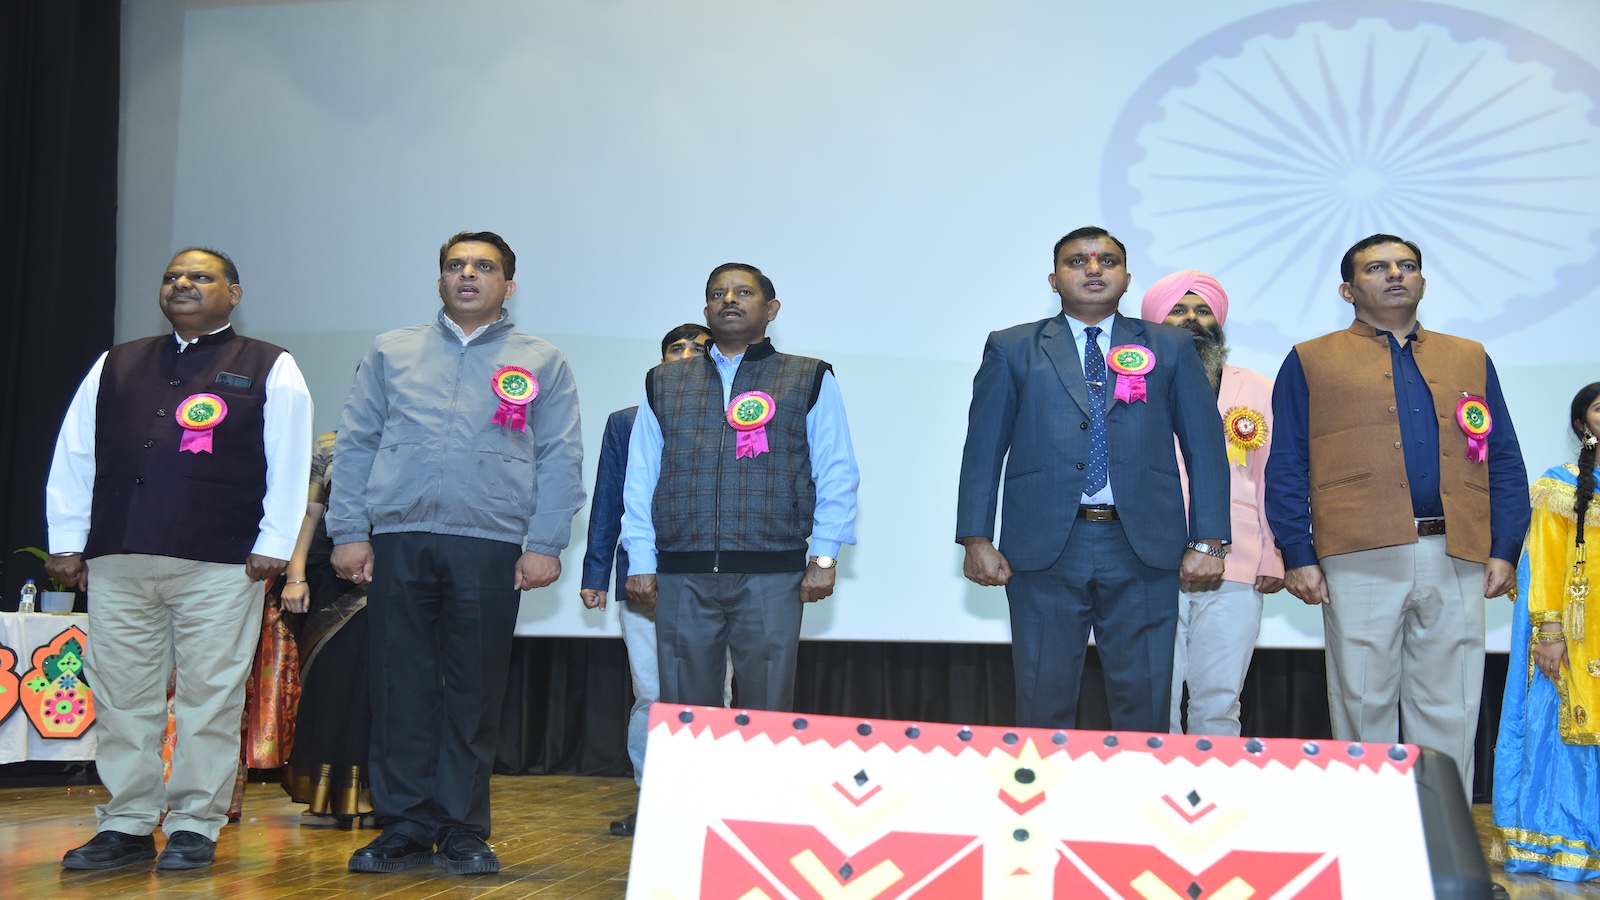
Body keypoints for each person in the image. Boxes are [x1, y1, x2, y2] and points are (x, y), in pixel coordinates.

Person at [45, 247, 314, 870]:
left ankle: (195, 823)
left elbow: (290, 458)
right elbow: (75, 453)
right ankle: (127, 823)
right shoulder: (116, 362)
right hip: (119, 554)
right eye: (172, 277)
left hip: (221, 561)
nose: (183, 284)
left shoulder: (270, 364)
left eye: (200, 276)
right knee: (120, 696)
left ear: (234, 293)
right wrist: (66, 540)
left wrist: (274, 544)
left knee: (210, 698)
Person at [328, 231, 584, 876]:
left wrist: (545, 543)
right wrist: (349, 529)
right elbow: (355, 442)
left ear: (508, 284)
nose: (468, 274)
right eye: (455, 265)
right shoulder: (391, 350)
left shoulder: (542, 359)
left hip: (489, 543)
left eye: (484, 266)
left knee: (474, 689)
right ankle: (405, 824)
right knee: (399, 685)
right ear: (440, 279)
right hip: (399, 537)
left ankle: (463, 827)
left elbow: (560, 456)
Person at [1265, 233, 1530, 792]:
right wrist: (1298, 553)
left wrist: (1505, 546)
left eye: (1407, 266)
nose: (1395, 275)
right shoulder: (1311, 359)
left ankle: (1443, 830)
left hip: (1458, 551)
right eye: (1377, 267)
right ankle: (1372, 827)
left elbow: (1503, 456)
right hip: (1359, 552)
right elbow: (1287, 462)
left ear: (1423, 283)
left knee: (1453, 703)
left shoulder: (1469, 356)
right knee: (1364, 701)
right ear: (1347, 290)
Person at [956, 227, 1230, 733]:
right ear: (1054, 279)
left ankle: (1139, 783)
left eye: (1107, 260)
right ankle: (1040, 784)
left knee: (1145, 702)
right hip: (1044, 548)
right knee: (1042, 698)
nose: (1093, 269)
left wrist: (1209, 539)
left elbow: (1206, 447)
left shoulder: (1169, 346)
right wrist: (976, 537)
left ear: (1126, 278)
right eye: (1077, 261)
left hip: (1143, 545)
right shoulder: (1012, 347)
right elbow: (983, 449)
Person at [621, 263, 859, 715]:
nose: (728, 299)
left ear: (771, 309)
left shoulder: (808, 376)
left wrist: (825, 556)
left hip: (772, 573)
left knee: (766, 711)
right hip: (681, 573)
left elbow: (836, 470)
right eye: (718, 294)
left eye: (743, 292)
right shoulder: (663, 381)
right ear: (706, 310)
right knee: (687, 716)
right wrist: (641, 559)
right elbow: (641, 477)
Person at [580, 323, 711, 837]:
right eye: (677, 348)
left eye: (700, 348)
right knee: (652, 691)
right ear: (659, 364)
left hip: (714, 577)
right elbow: (607, 498)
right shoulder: (627, 422)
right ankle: (653, 798)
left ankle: (708, 802)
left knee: (713, 693)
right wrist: (595, 572)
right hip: (642, 576)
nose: (688, 355)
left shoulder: (737, 415)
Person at [1140, 271, 1284, 736]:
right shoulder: (1128, 382)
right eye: (1178, 310)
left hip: (1236, 561)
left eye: (1202, 310)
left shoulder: (1258, 387)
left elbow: (1271, 477)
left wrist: (1274, 555)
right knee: (1152, 700)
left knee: (1220, 702)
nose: (1192, 320)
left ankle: (1215, 783)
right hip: (1146, 561)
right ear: (1154, 321)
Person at [1493, 383, 1600, 881]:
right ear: (1583, 425)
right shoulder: (1560, 486)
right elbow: (1545, 561)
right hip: (1576, 635)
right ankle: (1566, 843)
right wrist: (1550, 630)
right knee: (1564, 732)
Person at [281, 429, 374, 827]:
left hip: (395, 571)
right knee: (333, 684)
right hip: (332, 572)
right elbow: (310, 512)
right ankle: (329, 798)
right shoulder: (330, 443)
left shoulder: (417, 437)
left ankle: (380, 797)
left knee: (380, 688)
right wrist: (295, 575)